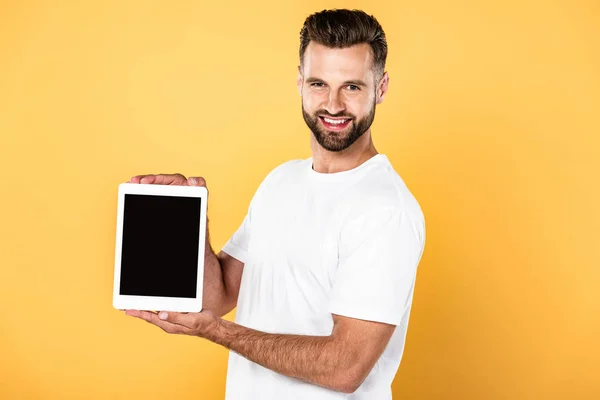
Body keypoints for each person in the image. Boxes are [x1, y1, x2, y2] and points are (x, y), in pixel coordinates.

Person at [125, 8, 426, 399]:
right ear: (300, 83)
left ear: (380, 88)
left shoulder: (386, 211)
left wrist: (214, 331)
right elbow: (219, 298)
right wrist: (191, 219)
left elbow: (345, 367)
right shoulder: (280, 181)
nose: (333, 104)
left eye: (352, 87)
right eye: (319, 84)